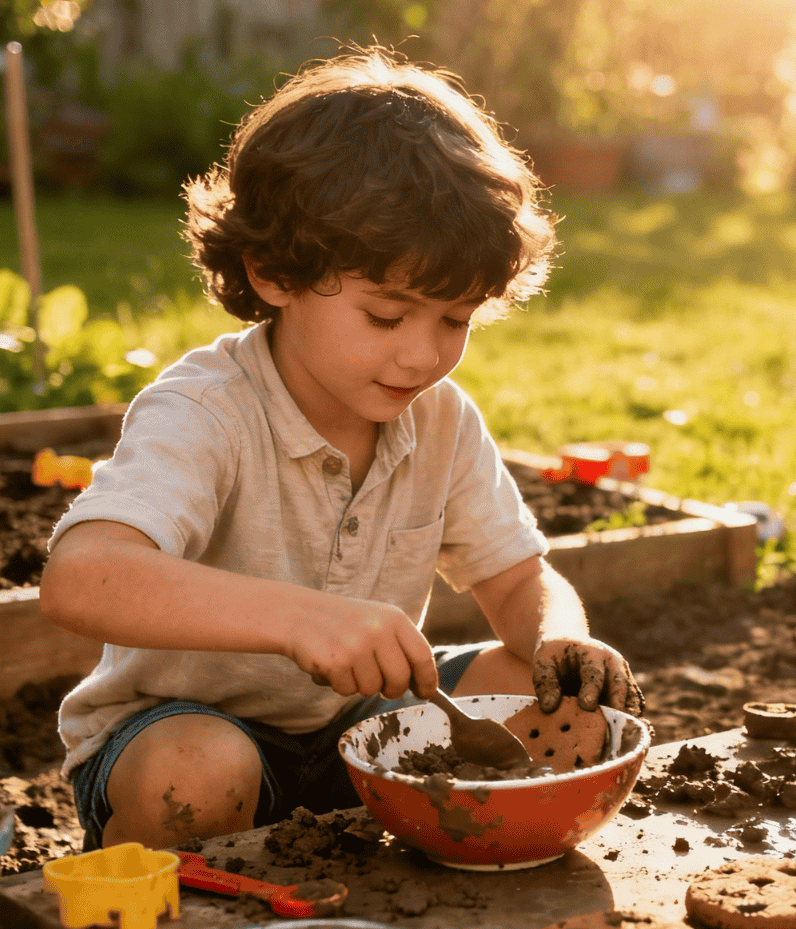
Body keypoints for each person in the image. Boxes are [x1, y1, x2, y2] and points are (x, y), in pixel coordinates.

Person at [40, 48, 642, 851]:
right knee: (199, 769)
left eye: (454, 320)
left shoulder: (440, 421)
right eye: (388, 317)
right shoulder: (209, 409)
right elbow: (82, 578)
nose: (423, 357)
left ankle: (454, 878)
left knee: (544, 698)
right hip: (181, 735)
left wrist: (560, 637)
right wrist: (298, 620)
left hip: (362, 732)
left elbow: (516, 575)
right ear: (273, 271)